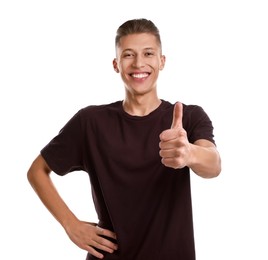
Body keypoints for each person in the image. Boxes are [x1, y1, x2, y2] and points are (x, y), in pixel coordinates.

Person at [27, 18, 221, 260]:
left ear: (161, 61)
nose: (139, 63)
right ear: (116, 64)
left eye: (148, 53)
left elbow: (213, 165)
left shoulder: (188, 117)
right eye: (128, 55)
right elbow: (37, 171)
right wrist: (71, 225)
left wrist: (189, 153)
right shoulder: (91, 122)